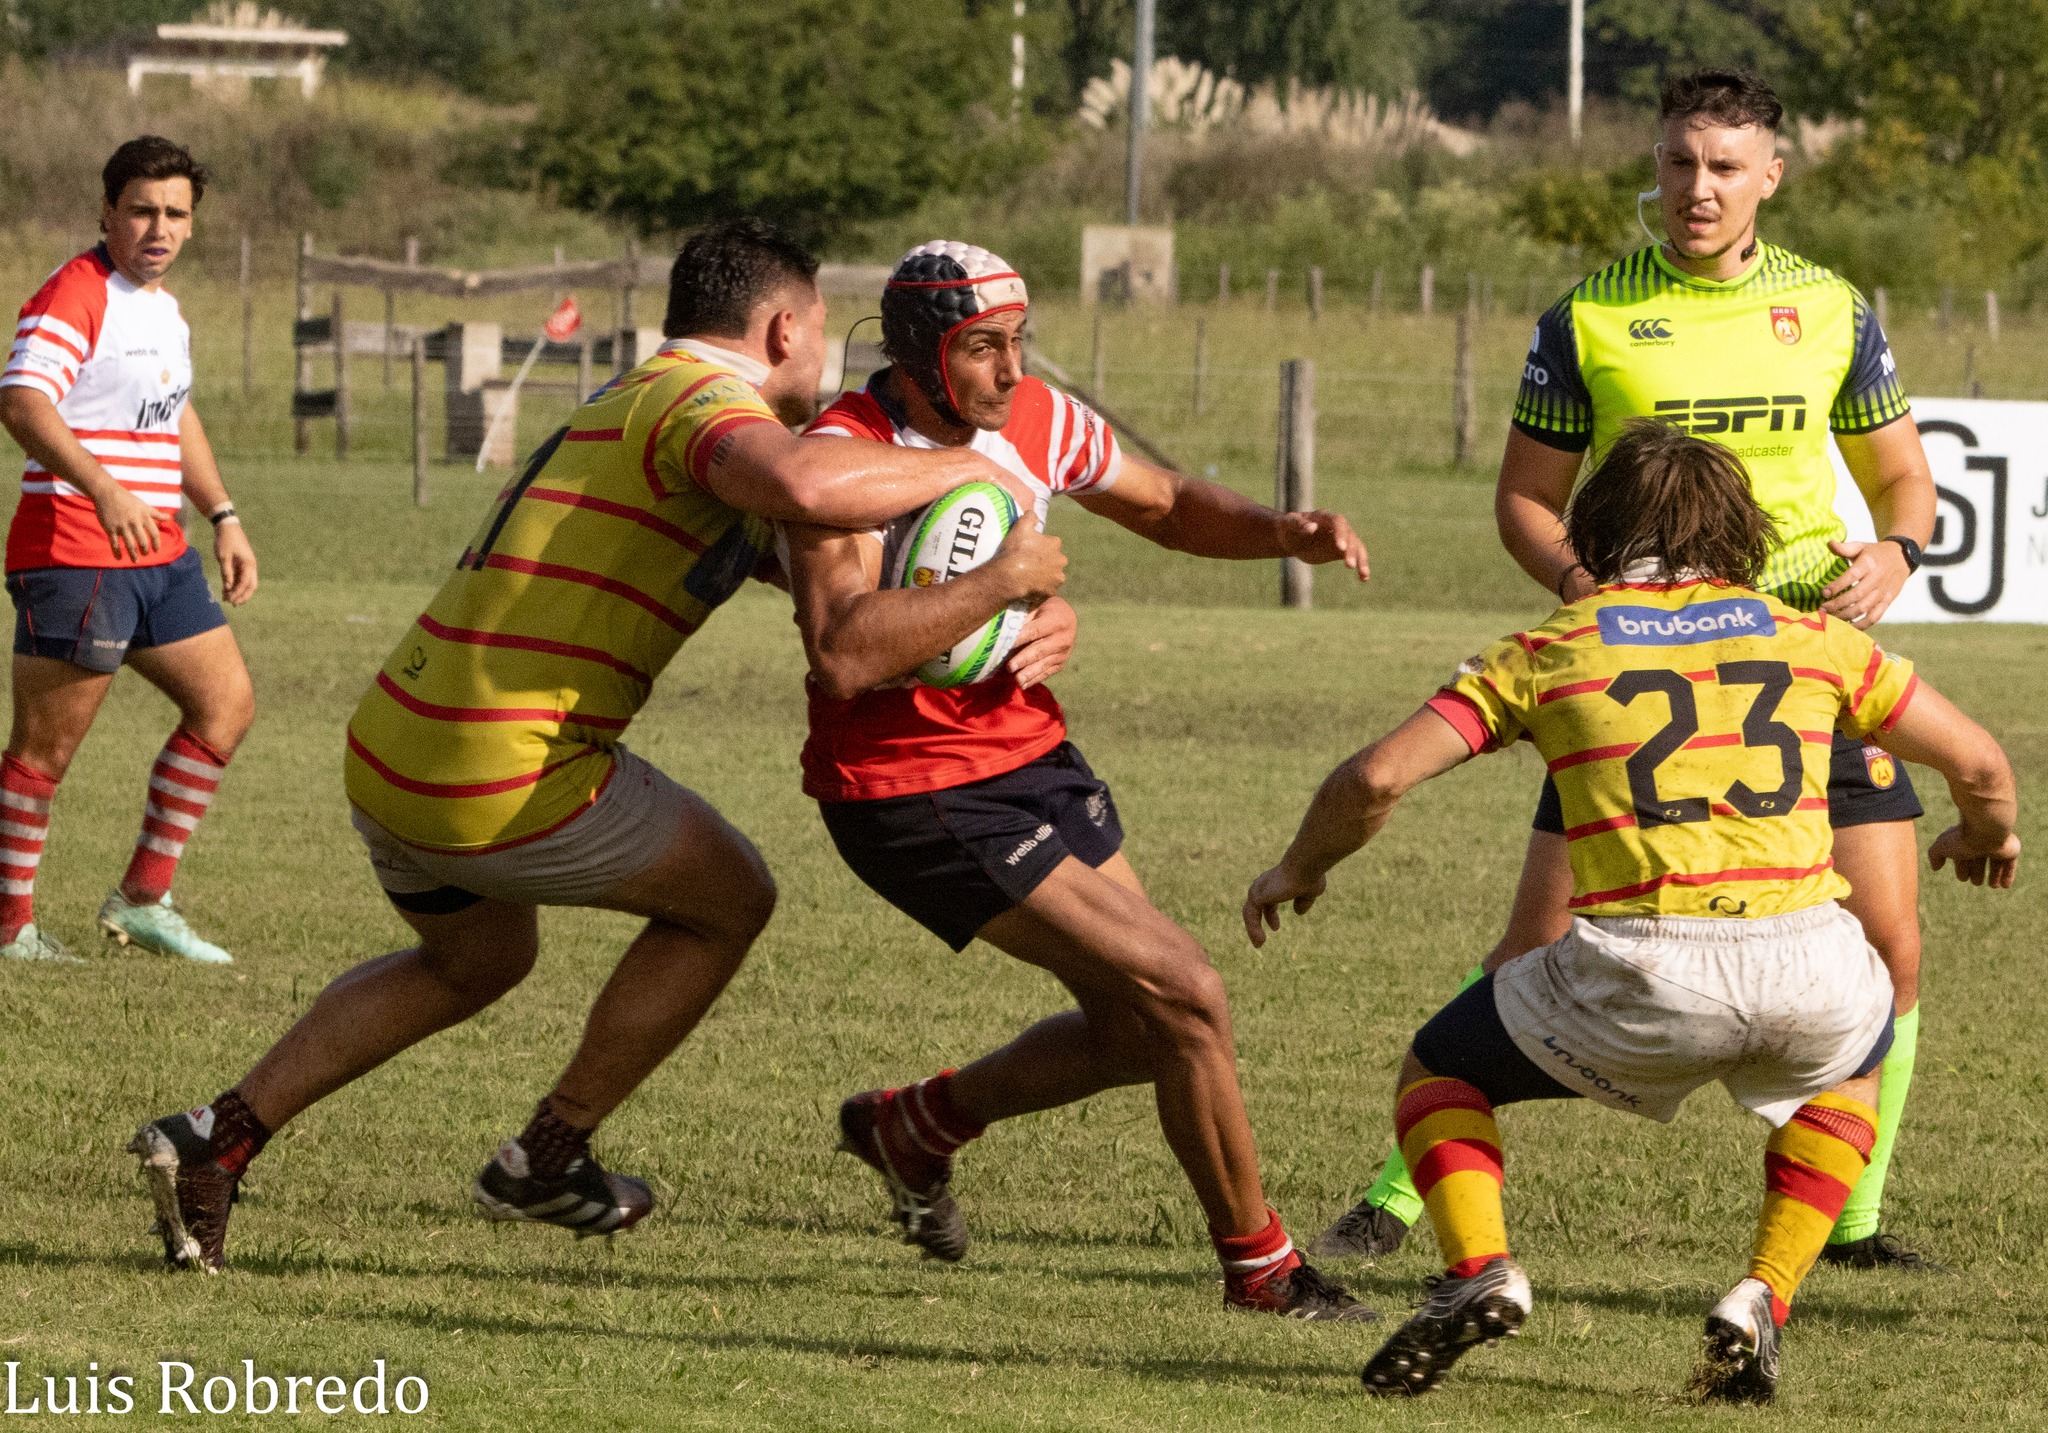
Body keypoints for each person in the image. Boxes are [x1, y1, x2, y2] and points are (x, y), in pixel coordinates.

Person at [127, 218, 1033, 1272]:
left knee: (478, 957)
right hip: (496, 772)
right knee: (731, 896)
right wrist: (974, 473)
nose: (830, 352)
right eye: (824, 327)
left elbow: (849, 613)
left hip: (393, 743)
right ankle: (548, 1154)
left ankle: (216, 1138)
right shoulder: (702, 404)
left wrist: (994, 619)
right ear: (784, 326)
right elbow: (804, 486)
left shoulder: (637, 402)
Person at [1245, 422, 2017, 1401]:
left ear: (1595, 534)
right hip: (1809, 962)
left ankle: (1476, 1266)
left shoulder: (1546, 648)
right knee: (1852, 1062)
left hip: (1642, 965)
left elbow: (1373, 777)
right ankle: (1761, 1295)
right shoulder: (1818, 639)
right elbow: (1981, 763)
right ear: (1743, 534)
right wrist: (1982, 836)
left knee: (1437, 1067)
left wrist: (1296, 865)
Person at [1324, 67, 1942, 1271]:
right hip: (1638, 668)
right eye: (1675, 162)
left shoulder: (1829, 307)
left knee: (1890, 945)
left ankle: (1853, 1224)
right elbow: (1521, 499)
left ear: (1771, 173)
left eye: (1721, 166)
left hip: (1800, 665)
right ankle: (1394, 1200)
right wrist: (1585, 594)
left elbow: (1899, 477)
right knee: (1535, 938)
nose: (1695, 188)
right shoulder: (1588, 315)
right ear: (1652, 168)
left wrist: (1894, 550)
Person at [781, 241, 1375, 1319]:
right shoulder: (840, 457)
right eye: (983, 349)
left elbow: (1164, 504)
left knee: (1135, 1028)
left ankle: (915, 1126)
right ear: (918, 352)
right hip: (909, 790)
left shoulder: (1034, 419)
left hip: (1030, 753)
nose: (1010, 371)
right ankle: (1263, 1268)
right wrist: (1007, 582)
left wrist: (1281, 531)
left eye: (1019, 343)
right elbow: (844, 651)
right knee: (1186, 991)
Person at [0, 136, 260, 966]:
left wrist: (221, 512)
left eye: (175, 213)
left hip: (159, 552)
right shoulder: (74, 294)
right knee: (44, 753)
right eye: (142, 209)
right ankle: (10, 931)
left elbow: (176, 413)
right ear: (107, 212)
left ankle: (144, 899)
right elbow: (21, 402)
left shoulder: (163, 309)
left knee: (226, 708)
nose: (159, 227)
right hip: (74, 550)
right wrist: (102, 486)